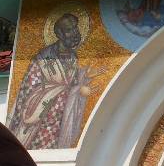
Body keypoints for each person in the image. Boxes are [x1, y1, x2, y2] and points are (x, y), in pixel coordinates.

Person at [7, 12, 100, 149]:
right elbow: (29, 90)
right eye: (69, 30)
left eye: (75, 28)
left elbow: (71, 83)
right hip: (40, 122)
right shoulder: (43, 58)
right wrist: (74, 90)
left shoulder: (73, 57)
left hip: (59, 123)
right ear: (60, 34)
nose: (75, 33)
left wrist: (85, 76)